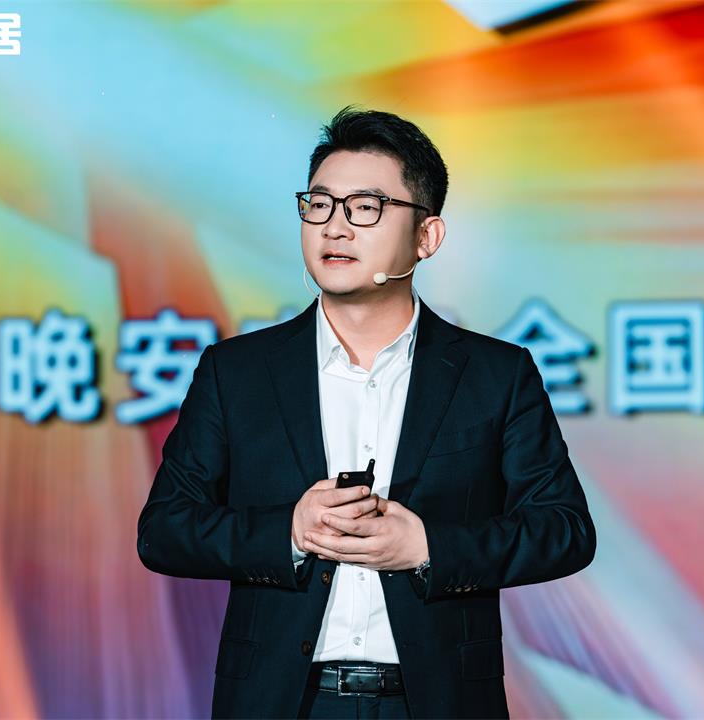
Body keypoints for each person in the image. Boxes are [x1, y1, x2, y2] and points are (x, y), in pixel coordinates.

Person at [137, 106, 596, 719]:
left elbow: (563, 530)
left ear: (427, 237)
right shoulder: (238, 372)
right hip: (284, 703)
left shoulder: (494, 374)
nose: (335, 227)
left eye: (366, 207)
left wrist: (428, 547)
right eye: (319, 204)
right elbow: (165, 529)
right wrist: (290, 532)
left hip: (434, 702)